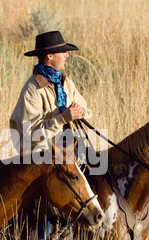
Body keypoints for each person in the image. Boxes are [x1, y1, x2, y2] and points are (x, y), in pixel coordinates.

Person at [9, 30, 92, 158]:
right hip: (41, 156)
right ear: (50, 56)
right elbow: (30, 134)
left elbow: (87, 110)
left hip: (68, 148)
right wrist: (63, 119)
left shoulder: (65, 82)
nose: (67, 55)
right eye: (63, 52)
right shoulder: (32, 91)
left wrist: (79, 111)